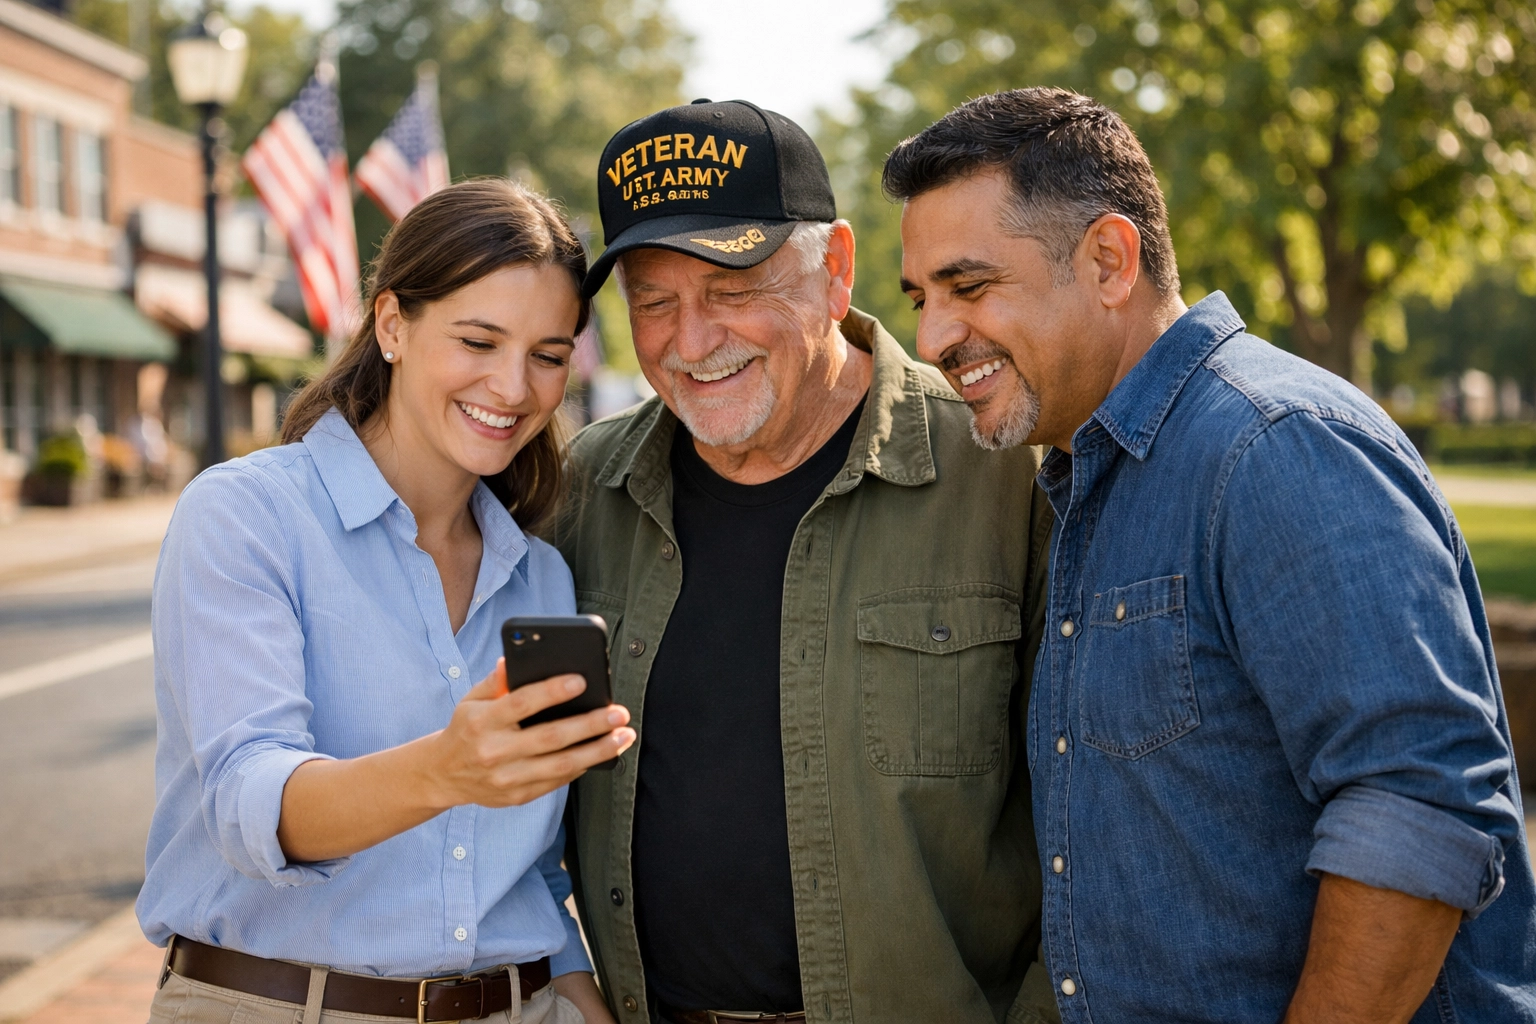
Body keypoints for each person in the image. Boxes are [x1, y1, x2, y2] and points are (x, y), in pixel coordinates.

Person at [887, 87, 1536, 1023]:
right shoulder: (1087, 475)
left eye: (970, 287)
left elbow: (1418, 809)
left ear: (1110, 260)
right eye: (922, 298)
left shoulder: (1274, 446)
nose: (933, 338)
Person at [555, 100, 1060, 1024]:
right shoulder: (587, 489)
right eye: (653, 303)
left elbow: (1098, 821)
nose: (691, 341)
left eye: (732, 290)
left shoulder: (1003, 472)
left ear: (834, 272)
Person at [138, 179, 636, 1024]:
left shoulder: (541, 573)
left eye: (548, 355)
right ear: (393, 324)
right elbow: (251, 803)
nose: (513, 388)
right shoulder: (248, 515)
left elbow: (529, 864)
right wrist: (443, 769)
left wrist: (582, 999)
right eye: (478, 340)